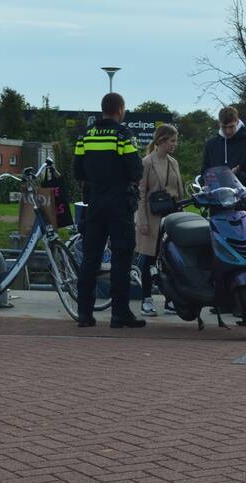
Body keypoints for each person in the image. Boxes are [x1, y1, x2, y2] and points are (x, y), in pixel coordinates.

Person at [73, 92, 144, 328]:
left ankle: (84, 314)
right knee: (122, 257)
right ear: (120, 110)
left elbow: (77, 171)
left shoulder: (86, 135)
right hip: (120, 203)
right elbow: (135, 170)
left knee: (90, 258)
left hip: (94, 201)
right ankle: (119, 314)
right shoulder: (123, 135)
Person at [134, 124, 184, 317]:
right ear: (161, 140)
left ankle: (170, 300)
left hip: (170, 216)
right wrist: (142, 220)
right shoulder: (147, 162)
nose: (175, 144)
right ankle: (146, 300)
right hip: (152, 216)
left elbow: (178, 192)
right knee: (149, 259)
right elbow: (141, 192)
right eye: (172, 141)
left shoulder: (174, 162)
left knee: (170, 259)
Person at [201, 106, 246, 191]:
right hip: (214, 200)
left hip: (240, 200)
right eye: (224, 127)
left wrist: (237, 174)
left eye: (231, 127)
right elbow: (204, 174)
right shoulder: (210, 144)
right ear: (219, 124)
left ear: (237, 122)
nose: (227, 131)